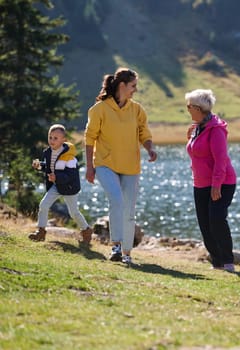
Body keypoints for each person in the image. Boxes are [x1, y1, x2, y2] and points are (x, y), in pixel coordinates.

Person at [84, 67, 157, 265]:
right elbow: (89, 139)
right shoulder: (99, 109)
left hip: (131, 166)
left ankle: (127, 252)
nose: (135, 90)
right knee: (116, 201)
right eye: (133, 86)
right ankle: (115, 245)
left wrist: (150, 149)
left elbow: (144, 132)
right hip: (105, 164)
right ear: (122, 85)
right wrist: (89, 167)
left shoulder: (137, 109)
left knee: (129, 210)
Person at [185, 89, 237, 272]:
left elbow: (220, 160)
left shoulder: (216, 130)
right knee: (205, 224)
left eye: (189, 106)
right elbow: (198, 153)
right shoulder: (198, 127)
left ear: (198, 108)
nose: (187, 109)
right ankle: (217, 263)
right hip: (200, 183)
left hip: (222, 182)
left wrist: (216, 185)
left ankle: (228, 262)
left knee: (216, 219)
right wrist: (189, 138)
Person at [29, 124, 93, 244]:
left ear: (64, 140)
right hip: (56, 186)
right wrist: (40, 166)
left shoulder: (70, 158)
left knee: (73, 213)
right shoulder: (48, 152)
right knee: (43, 205)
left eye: (55, 138)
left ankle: (86, 230)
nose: (52, 140)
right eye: (50, 137)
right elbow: (49, 167)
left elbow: (70, 176)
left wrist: (56, 177)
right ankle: (41, 231)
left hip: (69, 188)